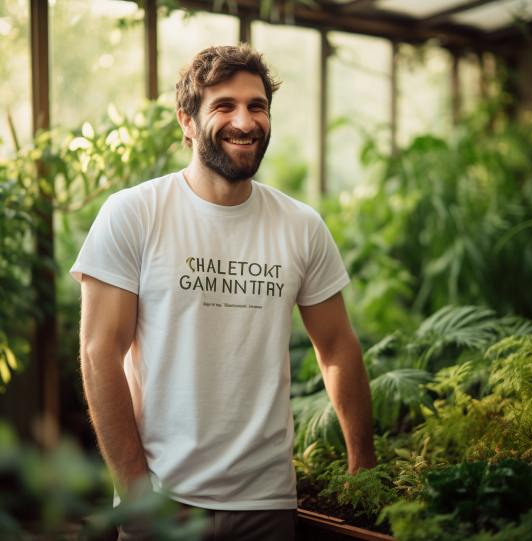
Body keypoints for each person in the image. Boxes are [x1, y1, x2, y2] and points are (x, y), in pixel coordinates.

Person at [71, 43, 376, 541]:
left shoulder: (301, 226)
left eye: (257, 106)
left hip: (269, 503)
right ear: (187, 122)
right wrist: (135, 490)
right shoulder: (134, 214)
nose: (245, 120)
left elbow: (338, 345)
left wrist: (363, 461)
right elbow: (98, 352)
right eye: (224, 106)